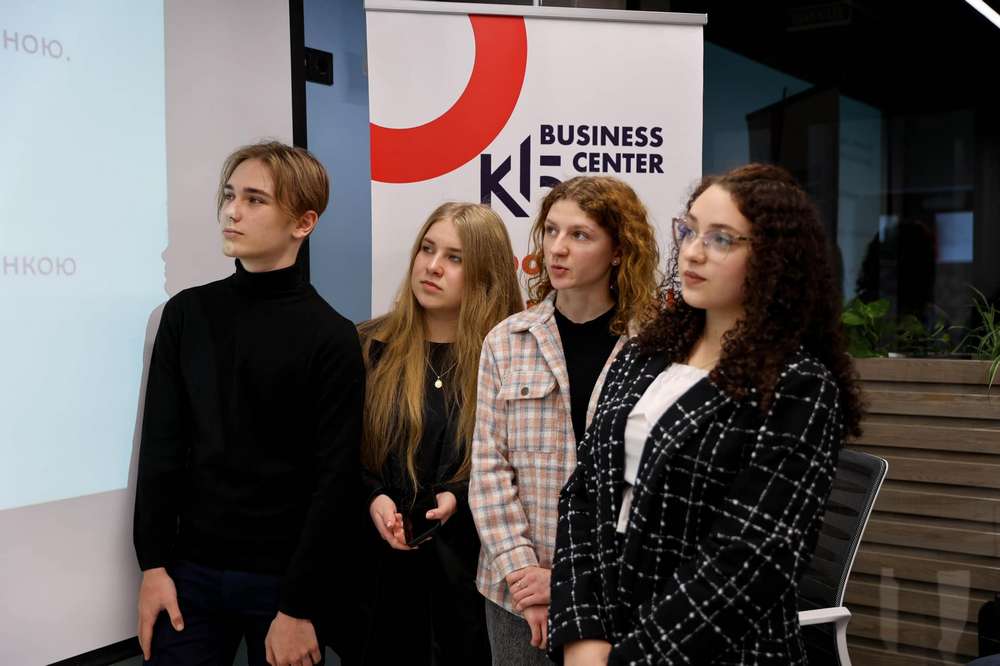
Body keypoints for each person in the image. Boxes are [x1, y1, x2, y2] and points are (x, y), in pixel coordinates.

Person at [548, 163, 865, 665]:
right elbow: (583, 495)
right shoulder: (645, 354)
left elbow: (746, 564)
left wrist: (627, 659)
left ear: (773, 258)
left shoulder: (798, 387)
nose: (693, 251)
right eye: (690, 230)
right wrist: (581, 633)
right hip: (603, 634)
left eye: (721, 239)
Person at [133, 142, 363, 666]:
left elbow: (335, 481)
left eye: (254, 200)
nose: (232, 211)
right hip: (188, 575)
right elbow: (161, 449)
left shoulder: (331, 337)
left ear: (303, 223)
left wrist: (298, 606)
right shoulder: (187, 315)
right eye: (229, 195)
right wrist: (153, 566)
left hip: (283, 585)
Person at [469, 176, 661, 664]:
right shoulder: (507, 341)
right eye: (552, 230)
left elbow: (656, 486)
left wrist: (572, 580)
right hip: (517, 593)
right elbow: (489, 473)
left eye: (580, 235)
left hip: (616, 591)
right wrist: (524, 575)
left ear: (619, 251)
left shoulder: (656, 349)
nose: (557, 248)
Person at [358, 202, 522, 665]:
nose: (432, 266)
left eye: (454, 258)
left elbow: (522, 464)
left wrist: (460, 495)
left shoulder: (510, 359)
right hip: (380, 586)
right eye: (427, 249)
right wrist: (373, 496)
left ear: (486, 274)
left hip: (470, 587)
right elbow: (338, 455)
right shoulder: (368, 347)